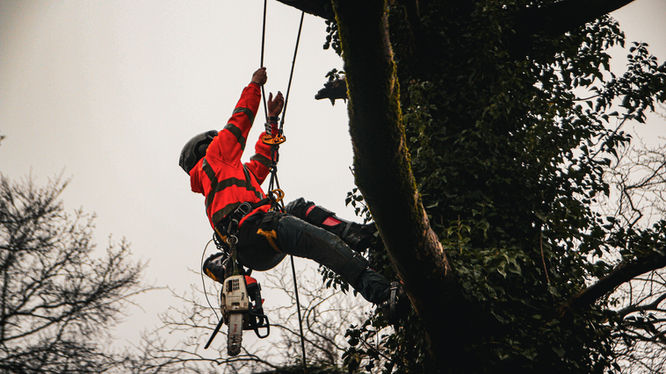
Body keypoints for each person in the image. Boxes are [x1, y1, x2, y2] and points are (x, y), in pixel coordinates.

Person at [179, 67, 399, 307]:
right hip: (256, 230)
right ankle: (381, 292)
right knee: (322, 243)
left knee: (299, 208)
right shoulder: (215, 156)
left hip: (257, 243)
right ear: (206, 146)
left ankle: (359, 235)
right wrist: (254, 86)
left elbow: (264, 160)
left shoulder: (229, 177)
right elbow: (239, 121)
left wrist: (272, 121)